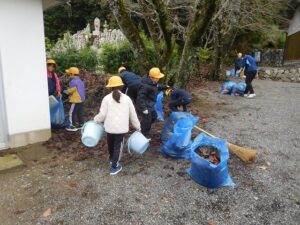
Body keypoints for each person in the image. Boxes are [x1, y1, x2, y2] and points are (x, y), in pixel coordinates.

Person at [94, 76, 141, 175]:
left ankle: (112, 159)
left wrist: (96, 120)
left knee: (111, 144)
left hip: (109, 128)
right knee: (118, 147)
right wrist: (137, 126)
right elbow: (133, 114)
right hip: (121, 129)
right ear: (121, 86)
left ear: (110, 87)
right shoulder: (127, 99)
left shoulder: (106, 99)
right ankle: (114, 167)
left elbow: (102, 114)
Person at [136, 67, 168, 137]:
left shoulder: (153, 82)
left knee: (154, 117)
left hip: (150, 104)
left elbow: (157, 86)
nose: (158, 79)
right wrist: (144, 108)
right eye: (157, 78)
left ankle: (142, 127)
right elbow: (140, 97)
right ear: (151, 77)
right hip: (144, 105)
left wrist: (165, 86)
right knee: (147, 121)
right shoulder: (145, 85)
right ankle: (143, 135)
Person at [64, 67, 85, 131]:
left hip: (76, 100)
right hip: (81, 100)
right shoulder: (80, 81)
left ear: (72, 74)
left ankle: (71, 125)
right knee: (80, 112)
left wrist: (65, 91)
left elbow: (71, 90)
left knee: (72, 112)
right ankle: (81, 124)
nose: (69, 76)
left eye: (69, 74)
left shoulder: (73, 82)